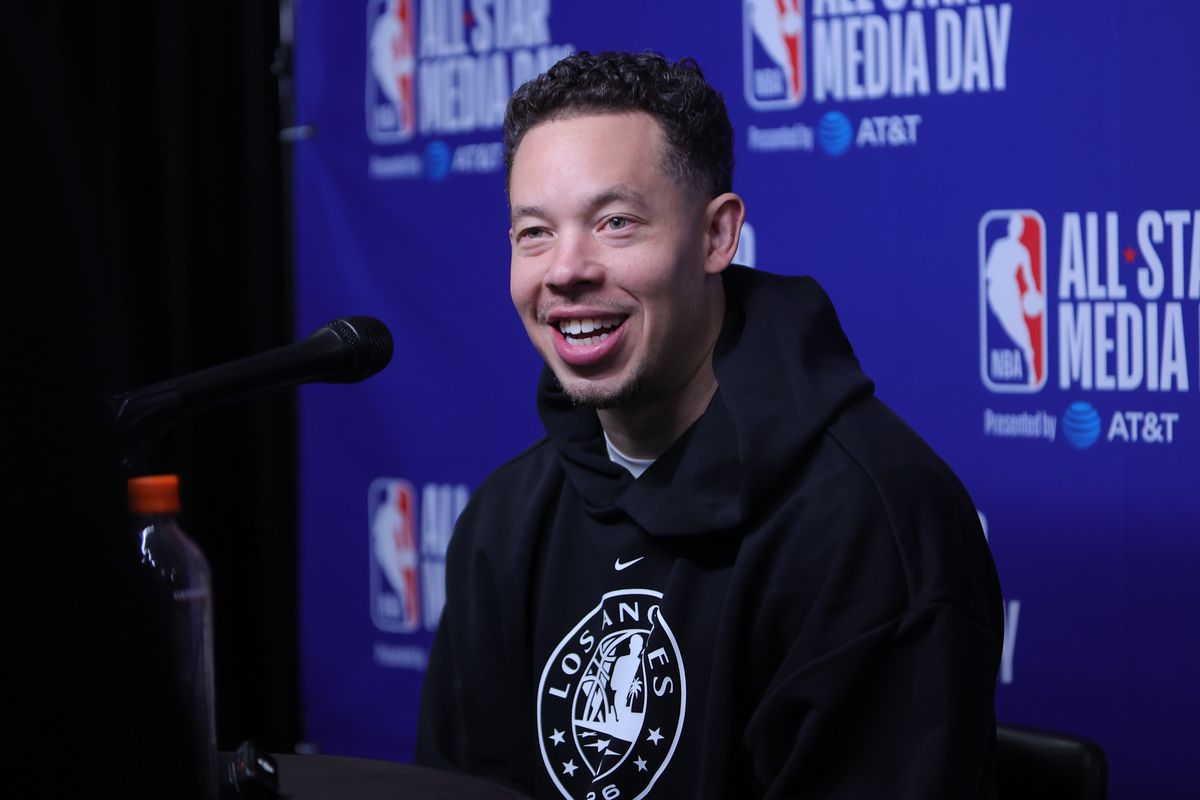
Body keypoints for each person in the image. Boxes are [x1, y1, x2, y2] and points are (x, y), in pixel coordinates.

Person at [416, 51, 1003, 799]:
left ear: (718, 237)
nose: (565, 270)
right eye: (535, 232)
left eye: (615, 222)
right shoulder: (504, 521)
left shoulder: (872, 524)